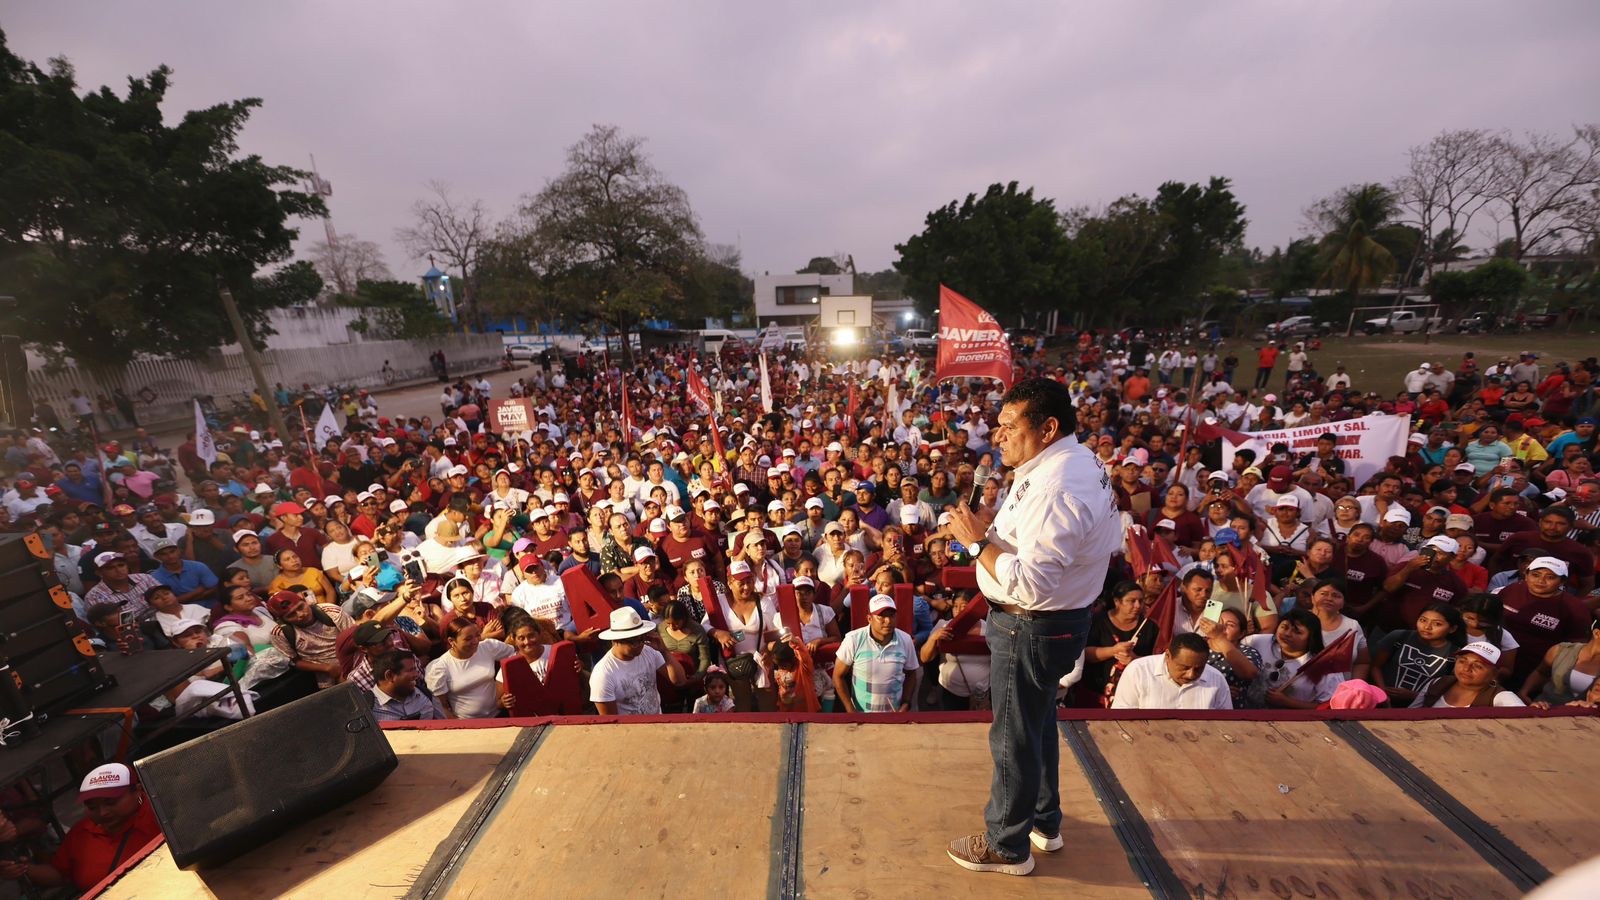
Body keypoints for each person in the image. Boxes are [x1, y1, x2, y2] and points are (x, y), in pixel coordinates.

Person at [945, 377, 1120, 877]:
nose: (996, 437)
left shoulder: (1059, 486)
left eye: (1007, 426)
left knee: (1013, 735)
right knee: (1037, 722)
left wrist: (979, 543)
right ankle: (1043, 821)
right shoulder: (1074, 460)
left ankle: (1006, 845)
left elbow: (1033, 585)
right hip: (1052, 623)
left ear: (1046, 428)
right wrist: (993, 531)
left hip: (1032, 625)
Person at [0, 764, 162, 892]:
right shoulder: (81, 833)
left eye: (111, 803)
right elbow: (60, 875)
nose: (103, 813)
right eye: (92, 807)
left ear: (138, 791)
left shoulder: (162, 813)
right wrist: (23, 869)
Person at [590, 607, 686, 715]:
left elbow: (680, 681)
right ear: (616, 641)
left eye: (642, 638)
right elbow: (611, 721)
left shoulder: (649, 651)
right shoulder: (603, 674)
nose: (640, 645)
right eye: (633, 642)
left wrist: (665, 652)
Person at [834, 593, 919, 713]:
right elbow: (838, 676)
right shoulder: (853, 639)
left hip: (894, 715)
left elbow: (911, 674)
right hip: (862, 715)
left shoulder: (905, 640)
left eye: (892, 615)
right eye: (881, 616)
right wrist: (850, 710)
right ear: (869, 619)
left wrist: (906, 703)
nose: (888, 621)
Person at [1110, 633, 1232, 710]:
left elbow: (1226, 724)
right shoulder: (1138, 671)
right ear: (1168, 656)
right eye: (1184, 667)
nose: (1191, 674)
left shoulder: (1217, 679)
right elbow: (1122, 718)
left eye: (1199, 669)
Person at [426, 618, 517, 719]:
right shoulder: (439, 667)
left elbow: (517, 655)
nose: (475, 641)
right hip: (467, 724)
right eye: (468, 639)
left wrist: (504, 692)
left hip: (499, 714)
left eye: (477, 635)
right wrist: (458, 728)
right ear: (451, 641)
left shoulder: (488, 647)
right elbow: (442, 707)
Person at [1411, 641, 1525, 708]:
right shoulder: (1438, 682)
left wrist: (1536, 710)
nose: (1466, 668)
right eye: (1462, 661)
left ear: (1494, 674)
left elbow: (1527, 720)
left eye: (1478, 666)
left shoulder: (1501, 697)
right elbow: (1410, 714)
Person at [366, 651, 446, 721]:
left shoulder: (426, 696)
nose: (416, 675)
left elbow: (445, 728)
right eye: (411, 670)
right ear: (389, 675)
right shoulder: (367, 707)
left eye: (415, 669)